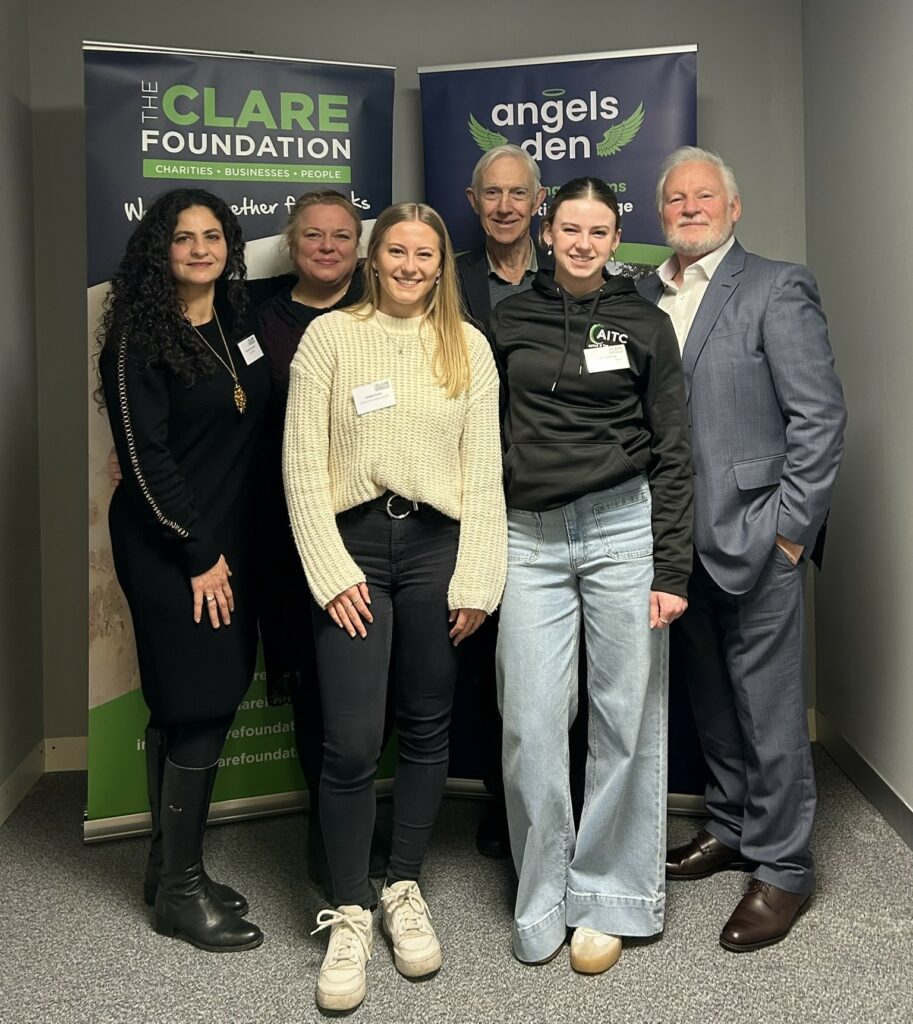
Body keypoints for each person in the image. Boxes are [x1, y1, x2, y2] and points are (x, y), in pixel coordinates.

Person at [283, 202, 506, 1011]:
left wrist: (479, 576)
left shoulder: (467, 346)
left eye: (426, 254)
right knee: (348, 740)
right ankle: (348, 909)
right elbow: (301, 466)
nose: (411, 265)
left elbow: (484, 471)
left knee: (426, 727)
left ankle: (401, 889)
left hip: (437, 552)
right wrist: (328, 569)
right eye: (397, 251)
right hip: (352, 552)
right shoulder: (331, 338)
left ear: (441, 264)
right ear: (372, 258)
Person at [639, 147, 846, 952]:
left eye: (703, 197)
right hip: (676, 543)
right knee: (712, 703)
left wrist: (790, 532)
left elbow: (818, 419)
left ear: (732, 208)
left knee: (767, 709)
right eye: (674, 200)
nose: (688, 208)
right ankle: (728, 827)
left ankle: (784, 867)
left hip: (758, 537)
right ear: (661, 215)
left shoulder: (775, 286)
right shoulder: (643, 295)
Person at [492, 177, 692, 973]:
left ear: (616, 239)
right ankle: (544, 897)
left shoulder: (645, 322)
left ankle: (610, 897)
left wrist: (671, 566)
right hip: (527, 538)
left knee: (623, 719)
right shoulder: (507, 317)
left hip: (620, 528)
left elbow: (674, 452)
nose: (581, 242)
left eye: (597, 231)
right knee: (531, 723)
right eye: (568, 228)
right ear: (546, 231)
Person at [98, 188, 267, 951]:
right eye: (182, 238)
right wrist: (198, 555)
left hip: (226, 538)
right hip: (174, 545)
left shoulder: (235, 319)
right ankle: (180, 894)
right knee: (200, 699)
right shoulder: (139, 331)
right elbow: (142, 457)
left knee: (187, 700)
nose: (200, 249)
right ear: (157, 251)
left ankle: (171, 869)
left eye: (212, 236)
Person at [249, 190, 387, 899]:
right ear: (292, 241)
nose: (328, 246)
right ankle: (324, 825)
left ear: (359, 247)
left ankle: (364, 814)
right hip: (287, 527)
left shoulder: (385, 308)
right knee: (311, 677)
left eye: (341, 235)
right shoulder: (258, 318)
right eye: (314, 235)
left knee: (368, 680)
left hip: (372, 523)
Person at [457, 145, 588, 859]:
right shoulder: (444, 281)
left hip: (557, 494)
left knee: (560, 667)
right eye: (491, 193)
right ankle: (500, 805)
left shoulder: (567, 274)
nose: (504, 205)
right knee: (487, 664)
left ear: (539, 203)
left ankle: (560, 805)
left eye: (518, 193)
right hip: (473, 495)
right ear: (471, 200)